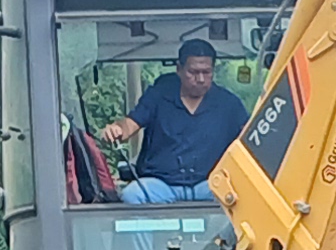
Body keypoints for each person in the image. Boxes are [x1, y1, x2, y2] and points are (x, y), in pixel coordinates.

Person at [104, 36, 249, 204]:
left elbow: (249, 137)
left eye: (206, 72)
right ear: (179, 69)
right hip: (162, 184)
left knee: (243, 194)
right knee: (132, 194)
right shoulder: (158, 96)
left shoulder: (229, 103)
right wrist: (117, 129)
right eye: (193, 72)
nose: (200, 79)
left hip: (210, 184)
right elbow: (130, 124)